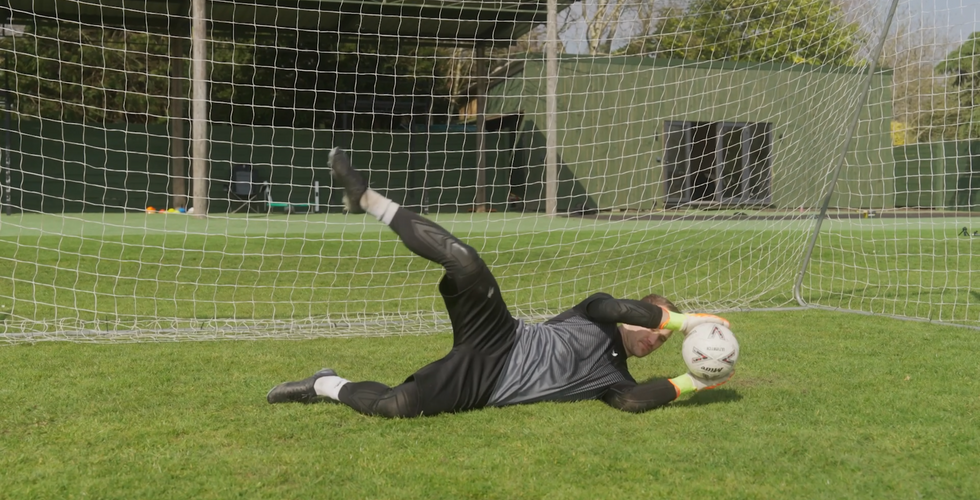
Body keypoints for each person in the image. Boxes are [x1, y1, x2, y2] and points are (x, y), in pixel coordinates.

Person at [266, 148, 733, 417]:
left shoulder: (615, 378)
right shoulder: (600, 310)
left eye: (663, 339)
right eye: (657, 329)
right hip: (502, 336)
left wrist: (693, 381)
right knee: (465, 261)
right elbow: (619, 311)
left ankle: (325, 384)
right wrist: (686, 320)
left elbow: (630, 401)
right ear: (647, 315)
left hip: (487, 386)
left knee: (396, 407)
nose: (656, 339)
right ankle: (367, 199)